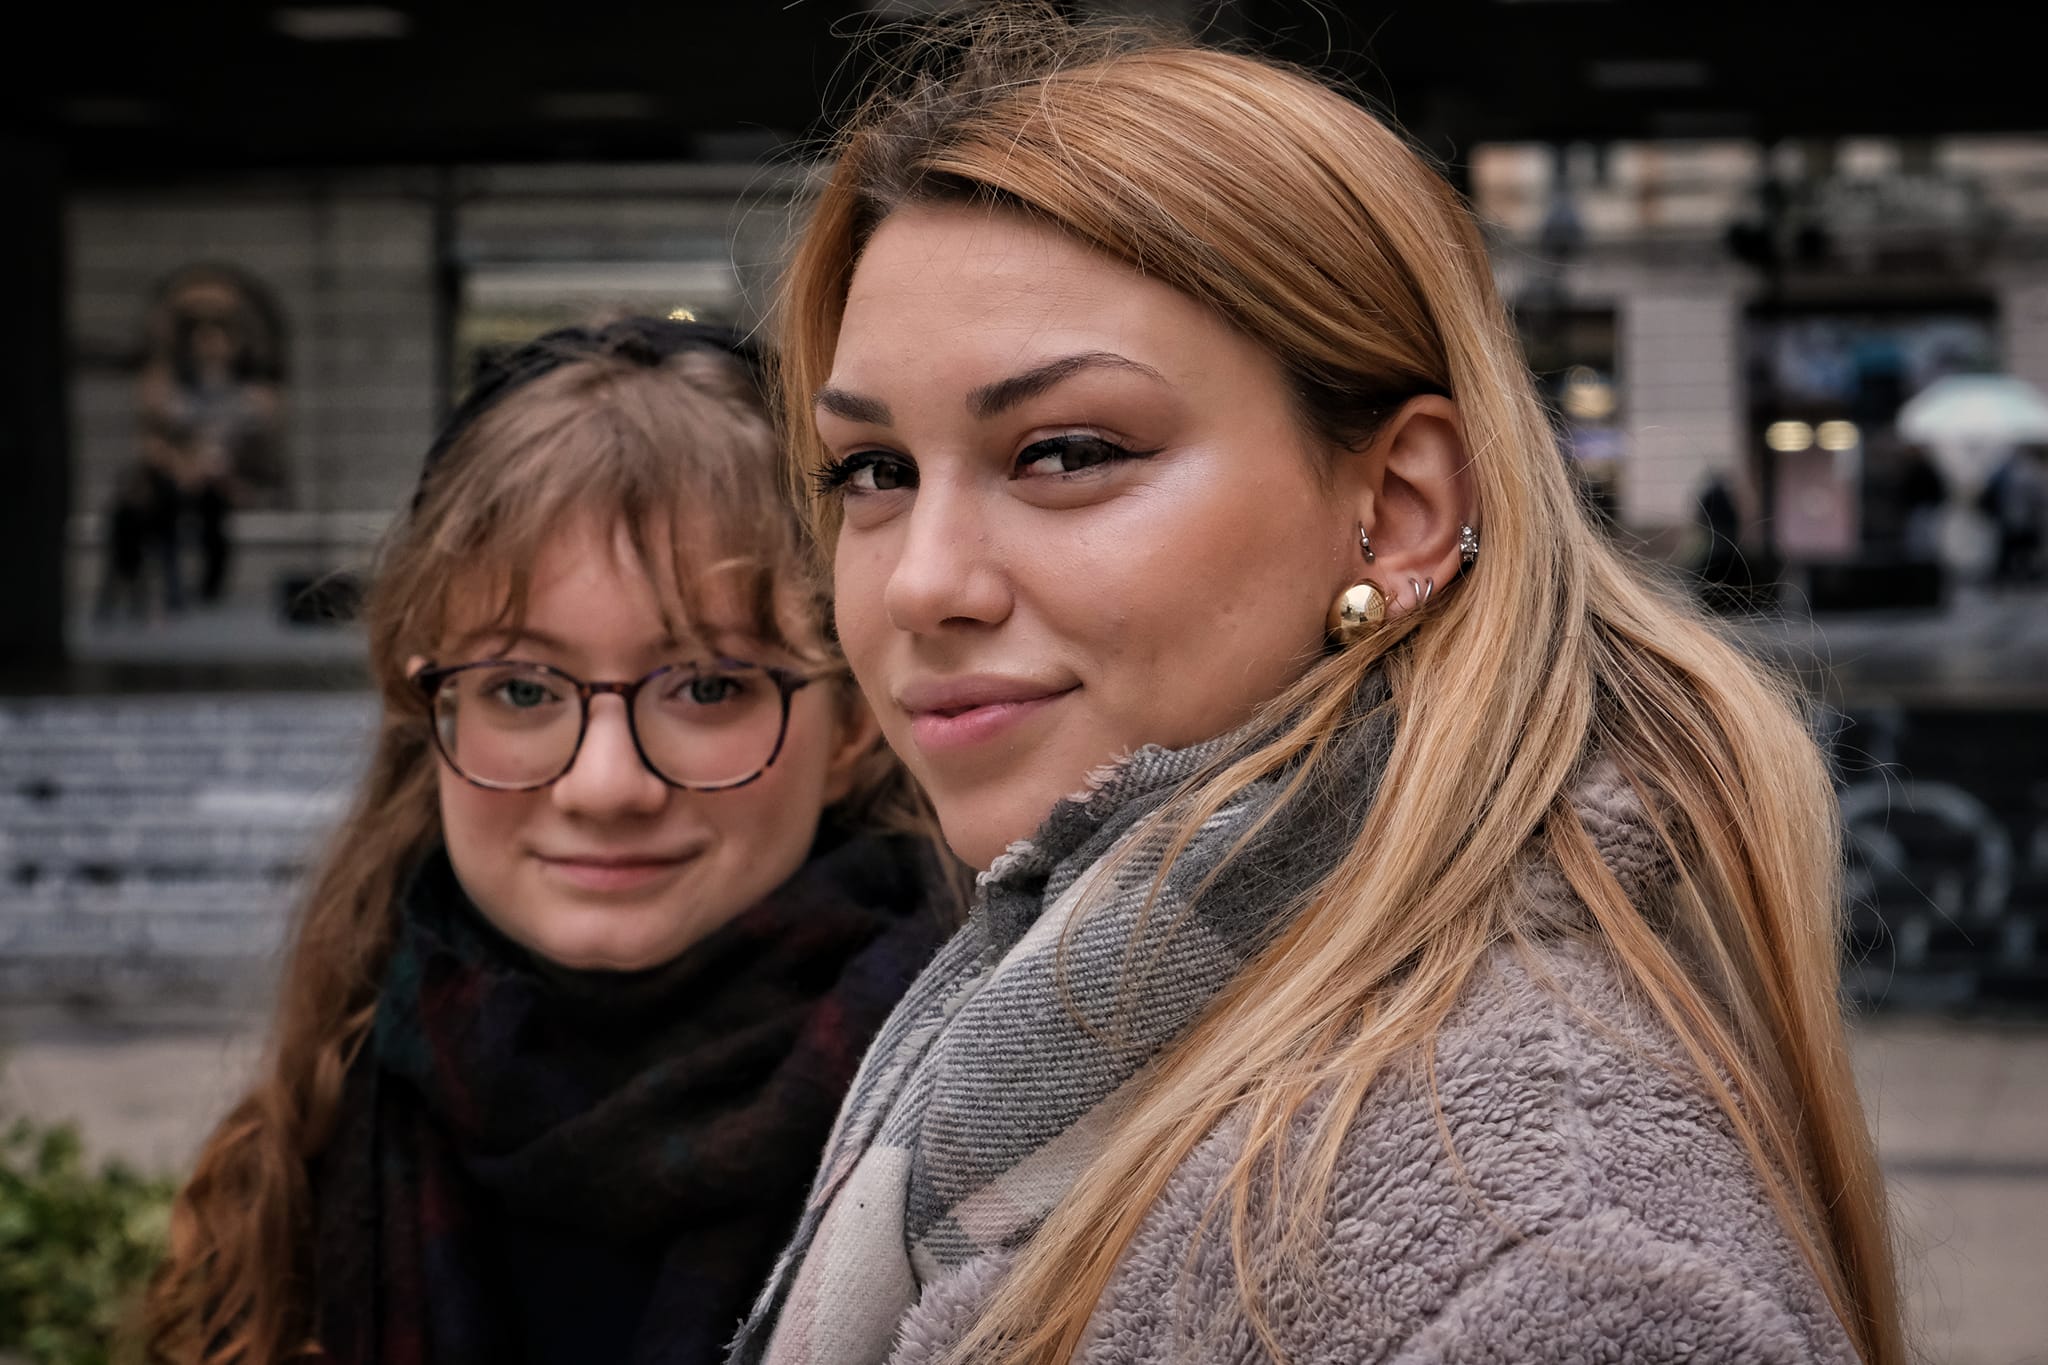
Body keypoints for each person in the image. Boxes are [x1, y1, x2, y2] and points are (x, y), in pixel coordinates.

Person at [735, 13, 1902, 1365]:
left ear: (1400, 506)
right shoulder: (1072, 1006)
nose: (923, 581)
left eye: (1065, 450)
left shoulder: (1534, 1249)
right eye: (872, 472)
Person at [138, 318, 952, 1365]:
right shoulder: (310, 1136)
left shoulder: (985, 1118)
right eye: (520, 688)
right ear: (428, 709)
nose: (602, 785)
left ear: (849, 724)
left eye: (707, 686)